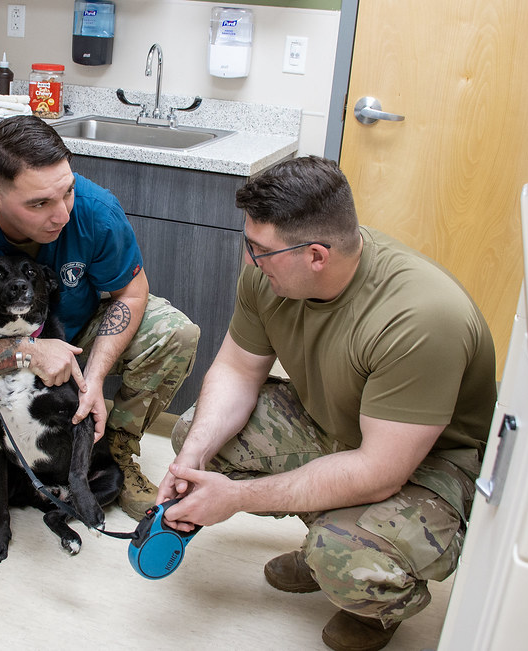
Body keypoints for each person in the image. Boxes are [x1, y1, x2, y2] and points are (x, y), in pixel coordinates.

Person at [156, 156, 496, 651]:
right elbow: (236, 370)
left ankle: (369, 591)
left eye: (261, 250)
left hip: (427, 462)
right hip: (341, 424)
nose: (250, 259)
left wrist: (237, 499)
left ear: (316, 255)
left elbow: (381, 471)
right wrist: (193, 459)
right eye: (249, 243)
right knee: (197, 437)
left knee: (344, 555)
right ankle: (328, 537)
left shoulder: (421, 318)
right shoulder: (269, 274)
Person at [0, 115, 199, 520]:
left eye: (67, 192)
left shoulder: (95, 210)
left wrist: (94, 380)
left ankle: (115, 450)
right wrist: (27, 352)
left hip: (74, 336)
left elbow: (132, 291)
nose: (62, 215)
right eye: (39, 203)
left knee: (173, 331)